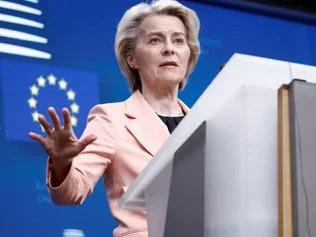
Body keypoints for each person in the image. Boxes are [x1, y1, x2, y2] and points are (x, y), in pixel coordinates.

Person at [28, 0, 201, 236]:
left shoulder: (205, 124)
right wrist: (61, 164)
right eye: (155, 40)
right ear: (132, 59)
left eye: (178, 40)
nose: (169, 48)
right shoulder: (111, 119)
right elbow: (70, 193)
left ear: (188, 54)